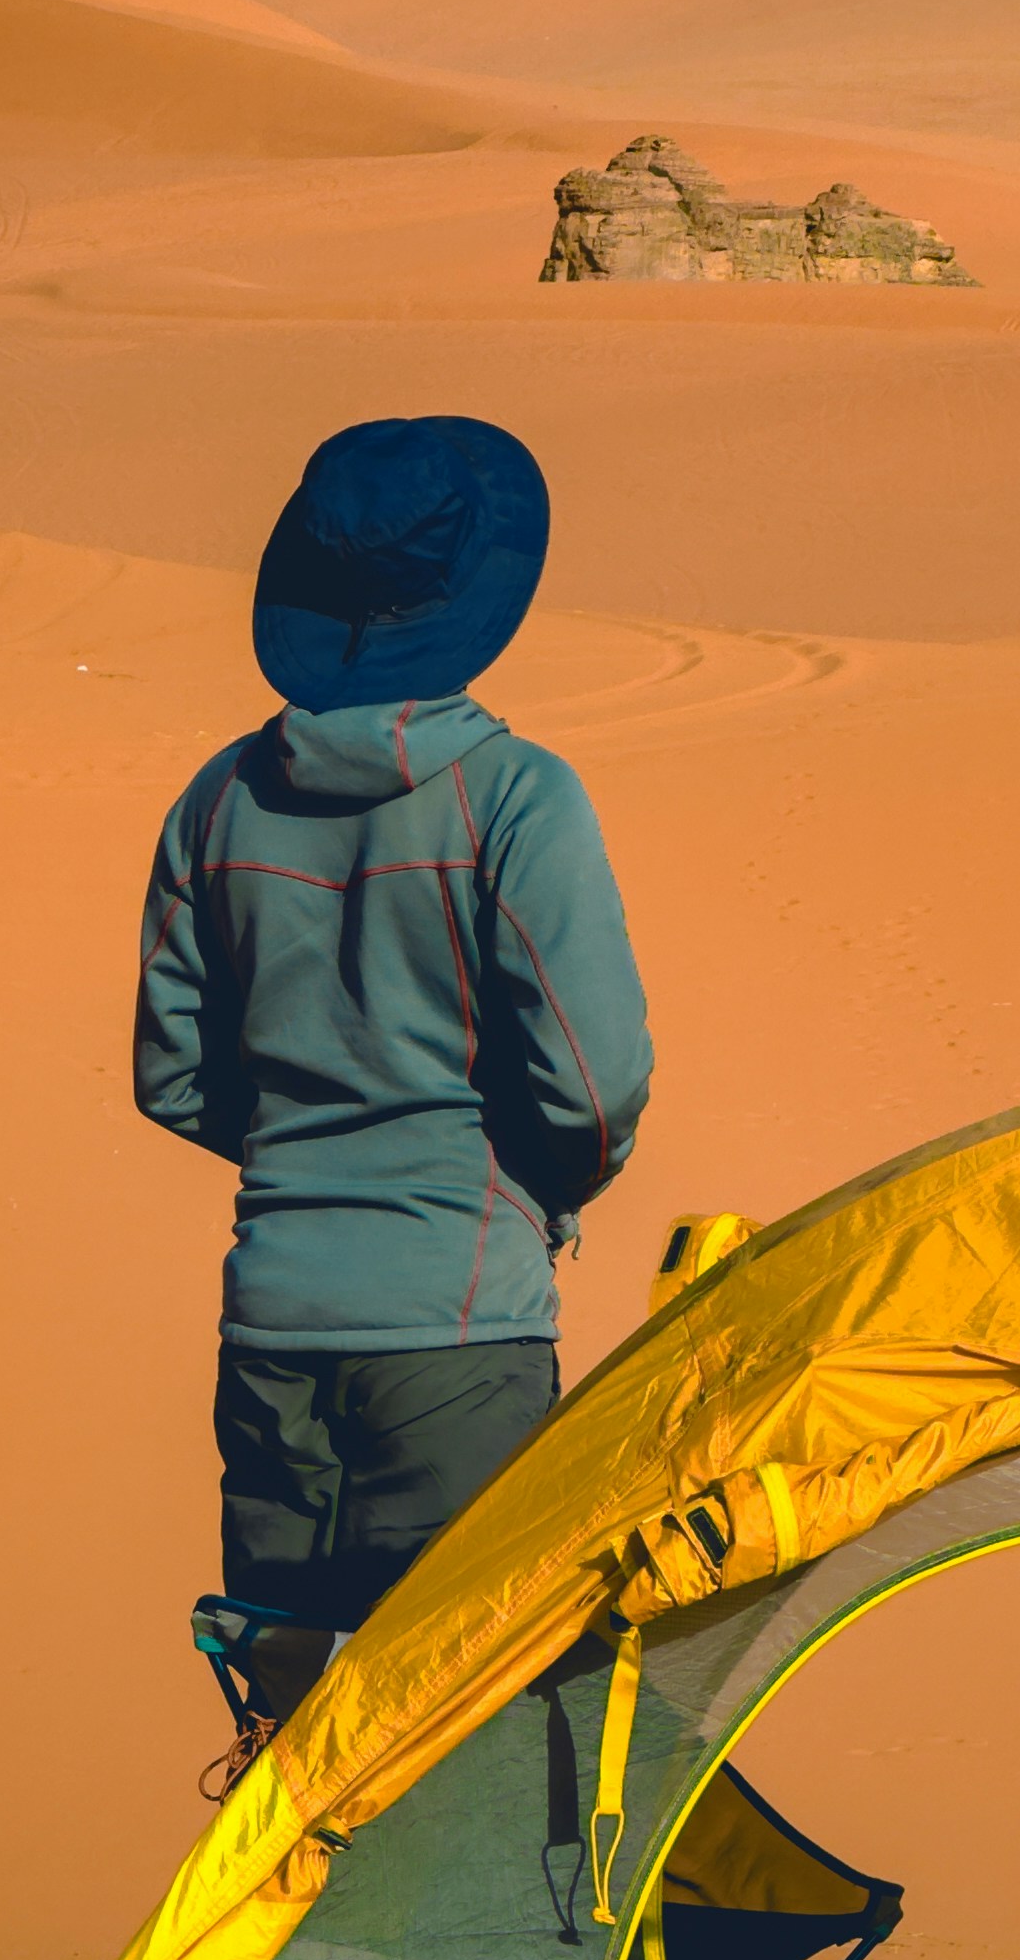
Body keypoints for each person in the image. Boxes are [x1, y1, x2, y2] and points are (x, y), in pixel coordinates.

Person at [136, 415, 651, 1760]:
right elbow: (598, 1085)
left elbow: (174, 1071)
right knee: (465, 1743)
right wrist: (533, 1185)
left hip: (272, 1326)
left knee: (296, 1738)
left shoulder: (217, 805)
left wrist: (308, 1156)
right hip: (457, 1326)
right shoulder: (518, 800)